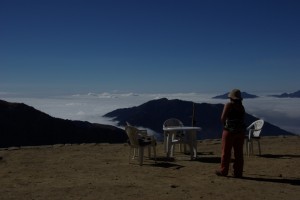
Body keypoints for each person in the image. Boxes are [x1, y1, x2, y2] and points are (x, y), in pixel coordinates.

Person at [216, 89, 246, 178]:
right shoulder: (241, 107)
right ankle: (238, 172)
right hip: (240, 132)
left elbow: (222, 118)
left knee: (226, 152)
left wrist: (226, 125)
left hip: (229, 131)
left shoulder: (229, 105)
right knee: (239, 153)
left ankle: (223, 171)